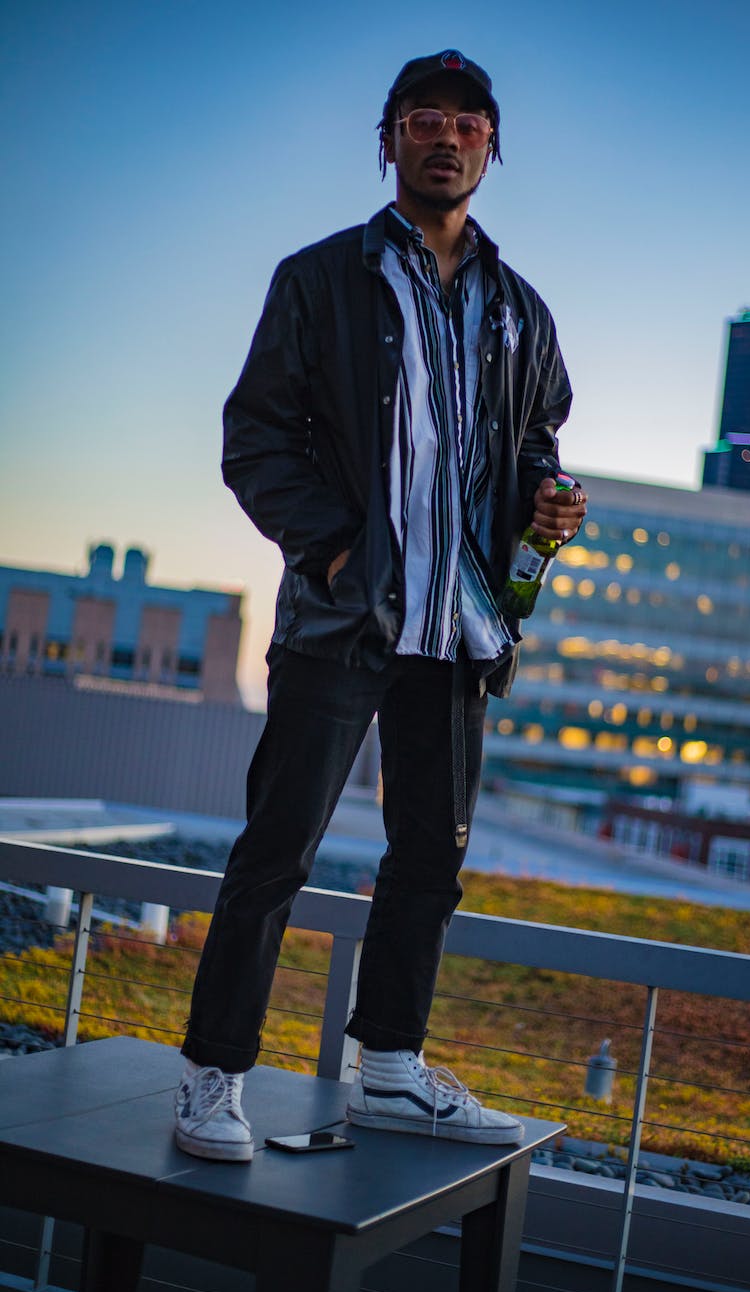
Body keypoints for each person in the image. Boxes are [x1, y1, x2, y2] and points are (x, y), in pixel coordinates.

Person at [174, 49, 587, 1161]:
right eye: (423, 120)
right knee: (276, 852)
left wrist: (546, 503)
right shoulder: (319, 281)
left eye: (468, 123)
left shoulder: (521, 311)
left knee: (427, 864)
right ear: (390, 139)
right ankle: (213, 1077)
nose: (446, 138)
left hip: (459, 635)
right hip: (344, 619)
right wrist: (341, 551)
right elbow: (254, 438)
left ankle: (393, 1068)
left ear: (492, 148)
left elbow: (535, 443)